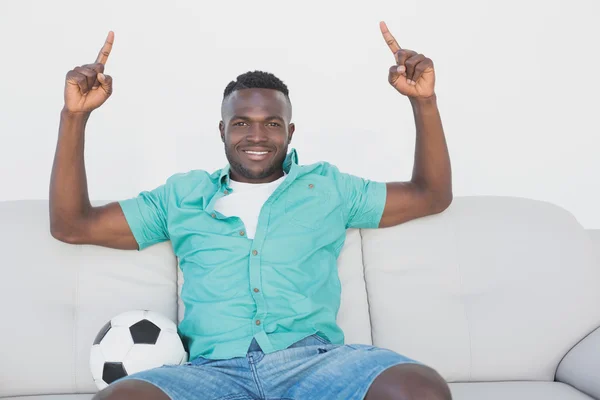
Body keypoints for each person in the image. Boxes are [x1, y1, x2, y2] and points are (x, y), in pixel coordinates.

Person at [50, 21, 453, 400]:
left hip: (315, 364)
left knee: (420, 388)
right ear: (222, 130)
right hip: (210, 371)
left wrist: (425, 102)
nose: (257, 135)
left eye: (272, 123)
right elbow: (72, 225)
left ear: (290, 132)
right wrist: (75, 116)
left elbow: (431, 194)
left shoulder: (330, 188)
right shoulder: (181, 196)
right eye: (241, 123)